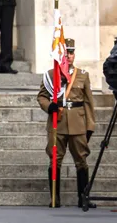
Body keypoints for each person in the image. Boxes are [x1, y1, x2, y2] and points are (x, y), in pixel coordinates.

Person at [36, 38, 95, 208]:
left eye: (71, 52)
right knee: (55, 159)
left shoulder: (83, 75)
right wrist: (49, 106)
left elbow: (88, 102)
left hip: (77, 122)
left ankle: (83, 197)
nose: (69, 56)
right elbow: (41, 96)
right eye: (66, 53)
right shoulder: (50, 75)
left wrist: (90, 125)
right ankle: (55, 198)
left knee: (81, 160)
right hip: (58, 122)